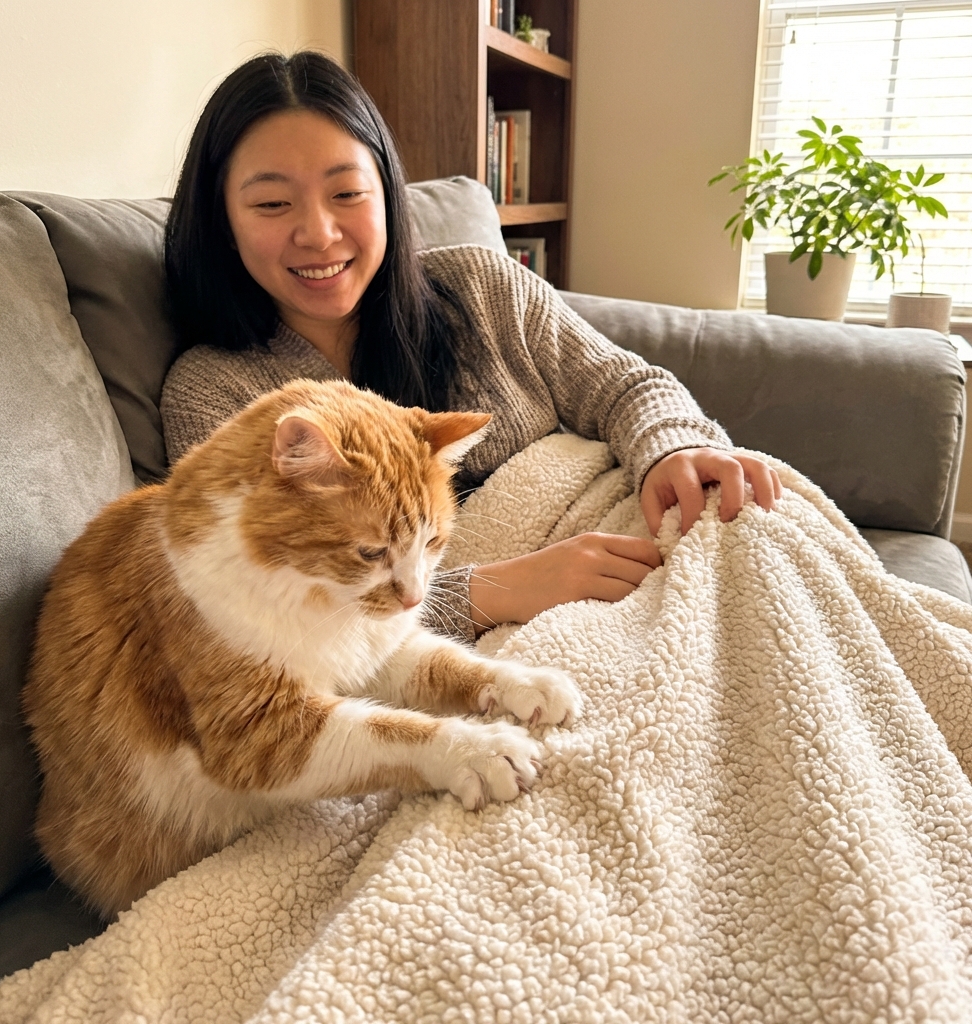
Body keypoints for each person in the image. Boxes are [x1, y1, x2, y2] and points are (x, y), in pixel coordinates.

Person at [161, 50, 781, 640]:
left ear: (387, 194)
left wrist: (675, 451)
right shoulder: (216, 394)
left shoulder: (481, 286)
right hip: (487, 643)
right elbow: (254, 619)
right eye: (272, 203)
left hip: (629, 529)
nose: (319, 234)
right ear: (221, 221)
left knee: (756, 535)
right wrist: (491, 591)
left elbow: (625, 386)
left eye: (347, 193)